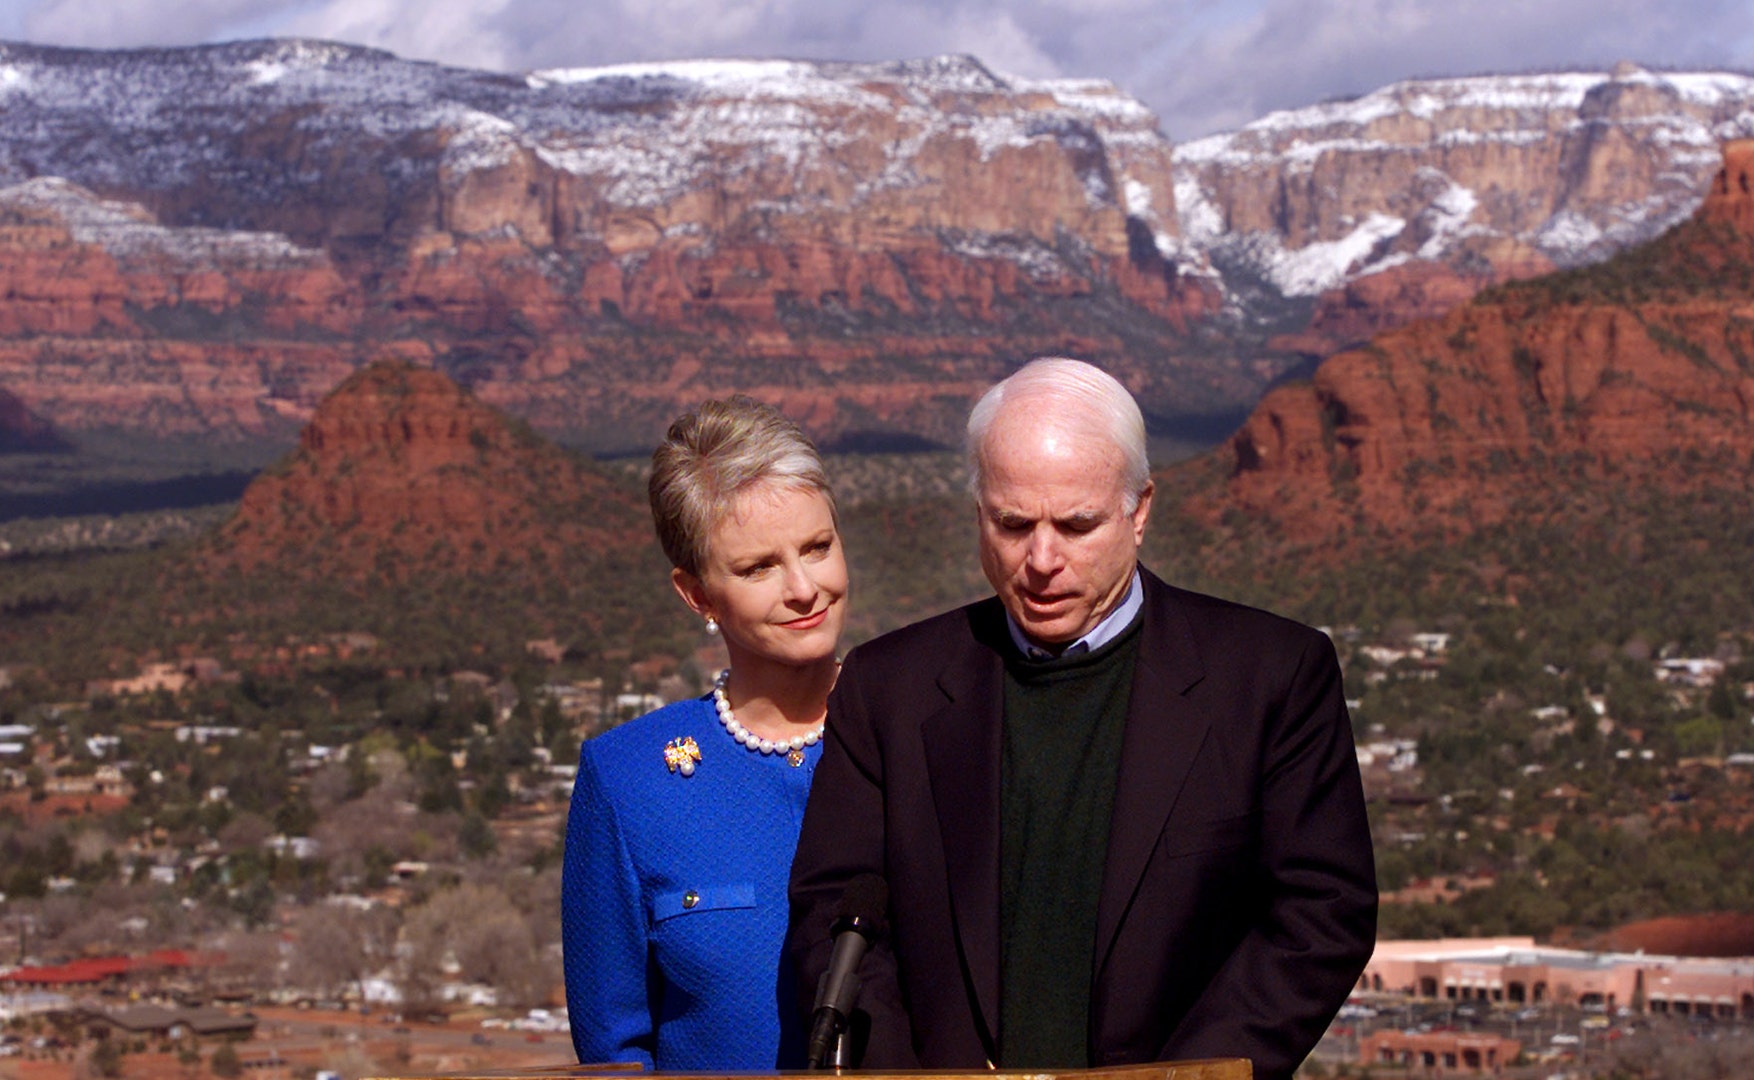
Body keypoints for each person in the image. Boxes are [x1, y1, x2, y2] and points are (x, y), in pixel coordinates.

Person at [785, 358, 1376, 1080]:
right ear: (978, 514)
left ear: (1141, 509)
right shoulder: (889, 689)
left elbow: (1321, 915)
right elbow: (834, 917)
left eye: (1076, 525)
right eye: (1011, 524)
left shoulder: (1271, 678)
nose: (1041, 559)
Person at [564, 395, 847, 1068]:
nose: (804, 587)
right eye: (758, 567)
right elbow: (613, 1050)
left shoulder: (922, 735)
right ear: (697, 594)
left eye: (818, 547)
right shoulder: (630, 781)